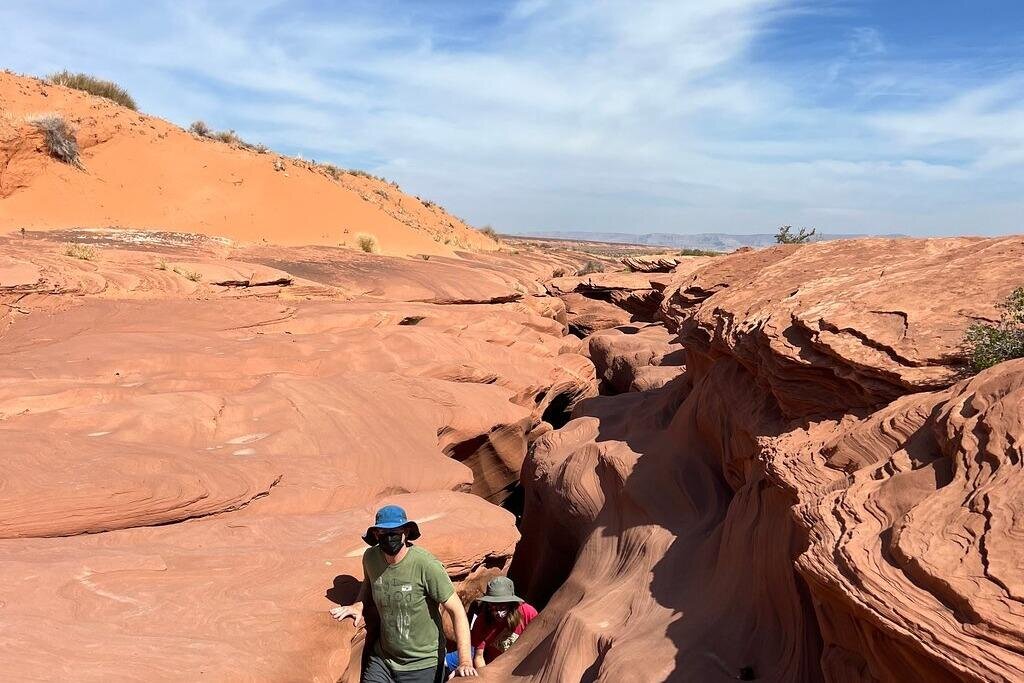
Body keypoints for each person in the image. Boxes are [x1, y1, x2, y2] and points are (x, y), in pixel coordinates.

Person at [331, 505, 478, 682]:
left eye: (394, 532)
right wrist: (358, 604)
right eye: (383, 533)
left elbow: (457, 610)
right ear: (376, 534)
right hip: (384, 659)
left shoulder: (425, 565)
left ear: (406, 532)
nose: (389, 537)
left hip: (422, 663)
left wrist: (465, 661)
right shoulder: (371, 558)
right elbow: (368, 583)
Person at [443, 576, 538, 676]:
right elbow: (479, 657)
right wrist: (485, 677)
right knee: (457, 658)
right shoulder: (482, 621)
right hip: (493, 665)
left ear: (511, 603)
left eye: (502, 606)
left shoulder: (527, 613)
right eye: (494, 606)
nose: (498, 612)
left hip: (522, 662)